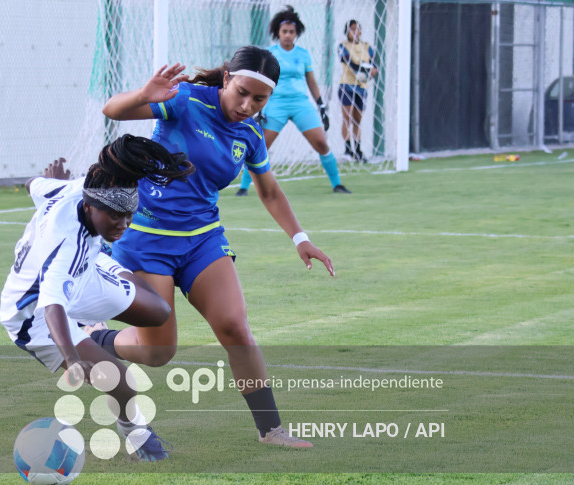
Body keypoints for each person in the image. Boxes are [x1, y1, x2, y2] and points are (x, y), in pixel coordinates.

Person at [97, 46, 336, 448]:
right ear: (226, 78)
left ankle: (271, 430)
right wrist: (143, 95)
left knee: (235, 327)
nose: (247, 105)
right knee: (158, 354)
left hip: (203, 240)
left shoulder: (252, 135)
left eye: (259, 100)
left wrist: (301, 238)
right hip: (147, 241)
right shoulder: (185, 100)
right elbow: (112, 111)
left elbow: (270, 191)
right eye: (241, 92)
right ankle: (96, 341)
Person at [0, 134, 193, 461]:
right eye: (115, 216)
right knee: (119, 379)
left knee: (158, 311)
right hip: (35, 317)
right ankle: (137, 435)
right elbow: (52, 306)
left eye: (129, 215)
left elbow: (34, 184)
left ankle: (94, 334)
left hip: (86, 273)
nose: (123, 224)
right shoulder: (65, 243)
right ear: (89, 207)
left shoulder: (79, 188)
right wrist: (72, 359)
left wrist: (52, 179)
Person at [236, 5, 350, 196]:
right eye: (284, 31)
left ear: (296, 34)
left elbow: (311, 82)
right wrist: (259, 108)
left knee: (321, 143)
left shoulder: (303, 54)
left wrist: (321, 105)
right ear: (277, 33)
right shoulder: (270, 54)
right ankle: (243, 188)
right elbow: (261, 82)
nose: (288, 35)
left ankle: (337, 184)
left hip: (301, 104)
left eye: (291, 32)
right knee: (260, 146)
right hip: (276, 104)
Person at [338, 19, 378, 163]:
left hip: (362, 88)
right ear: (347, 31)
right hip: (347, 86)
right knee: (347, 118)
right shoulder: (342, 46)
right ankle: (348, 150)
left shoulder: (367, 46)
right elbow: (348, 62)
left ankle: (358, 151)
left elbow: (374, 63)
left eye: (357, 29)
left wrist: (373, 71)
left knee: (357, 120)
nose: (355, 32)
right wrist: (362, 71)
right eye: (351, 29)